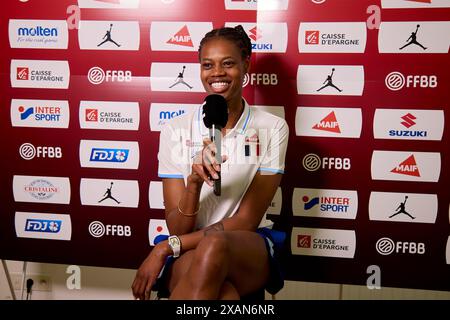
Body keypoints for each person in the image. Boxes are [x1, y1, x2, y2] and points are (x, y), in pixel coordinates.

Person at [132, 25, 289, 300]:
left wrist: (165, 248)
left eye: (228, 63)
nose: (217, 73)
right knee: (225, 295)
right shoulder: (174, 129)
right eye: (208, 65)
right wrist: (193, 183)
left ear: (246, 65)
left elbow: (246, 220)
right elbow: (178, 227)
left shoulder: (273, 128)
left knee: (216, 243)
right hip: (189, 245)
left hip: (245, 244)